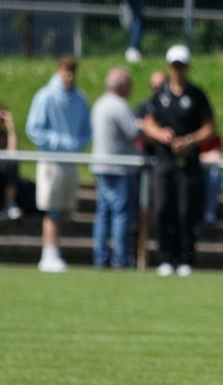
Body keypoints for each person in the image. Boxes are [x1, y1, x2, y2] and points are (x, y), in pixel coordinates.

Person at [141, 45, 216, 277]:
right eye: (174, 66)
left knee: (187, 212)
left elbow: (209, 128)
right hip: (164, 162)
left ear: (187, 67)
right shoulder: (160, 95)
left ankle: (186, 259)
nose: (177, 70)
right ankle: (166, 258)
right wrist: (160, 133)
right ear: (169, 67)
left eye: (181, 66)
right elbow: (148, 123)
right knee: (162, 209)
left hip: (188, 163)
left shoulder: (197, 95)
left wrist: (190, 140)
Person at [26, 55, 91, 273]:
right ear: (58, 71)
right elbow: (34, 130)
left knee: (63, 210)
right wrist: (61, 142)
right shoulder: (45, 96)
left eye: (72, 72)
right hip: (51, 161)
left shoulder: (80, 98)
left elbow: (87, 131)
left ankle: (55, 251)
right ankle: (48, 253)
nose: (69, 76)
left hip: (71, 162)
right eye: (65, 71)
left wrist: (76, 144)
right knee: (52, 209)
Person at [90, 67, 140, 269]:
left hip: (100, 166)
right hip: (119, 168)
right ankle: (121, 259)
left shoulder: (99, 104)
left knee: (103, 214)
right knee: (121, 214)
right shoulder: (120, 105)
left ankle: (101, 257)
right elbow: (134, 132)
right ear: (122, 86)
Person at [200, 132, 223, 225]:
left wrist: (200, 156)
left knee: (215, 174)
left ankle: (209, 213)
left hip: (206, 170)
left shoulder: (214, 137)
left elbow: (218, 157)